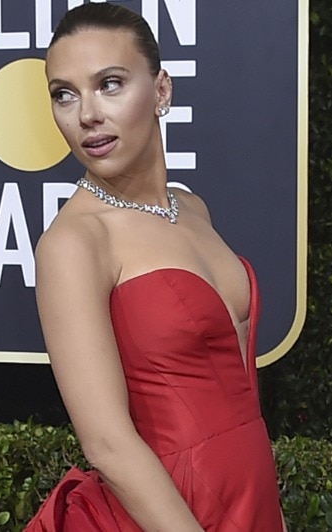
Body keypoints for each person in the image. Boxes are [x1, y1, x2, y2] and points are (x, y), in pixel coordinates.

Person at [24, 4, 285, 531]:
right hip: (166, 512)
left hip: (251, 493)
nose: (87, 114)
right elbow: (106, 442)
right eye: (64, 93)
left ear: (162, 90)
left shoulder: (192, 208)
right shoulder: (74, 242)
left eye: (110, 84)